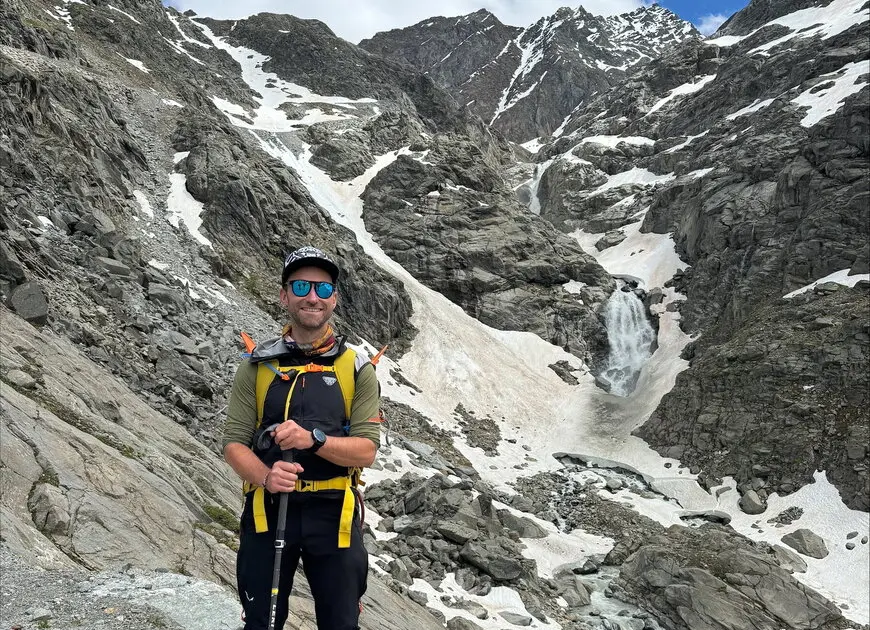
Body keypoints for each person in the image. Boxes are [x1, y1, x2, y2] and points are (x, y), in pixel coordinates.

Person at [222, 246, 381, 630]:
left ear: (335, 299)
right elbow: (233, 443)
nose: (313, 297)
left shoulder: (357, 369)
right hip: (269, 508)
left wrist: (315, 440)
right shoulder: (257, 366)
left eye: (323, 289)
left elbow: (366, 451)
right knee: (262, 621)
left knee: (341, 623)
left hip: (335, 512)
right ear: (284, 295)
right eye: (301, 286)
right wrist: (264, 477)